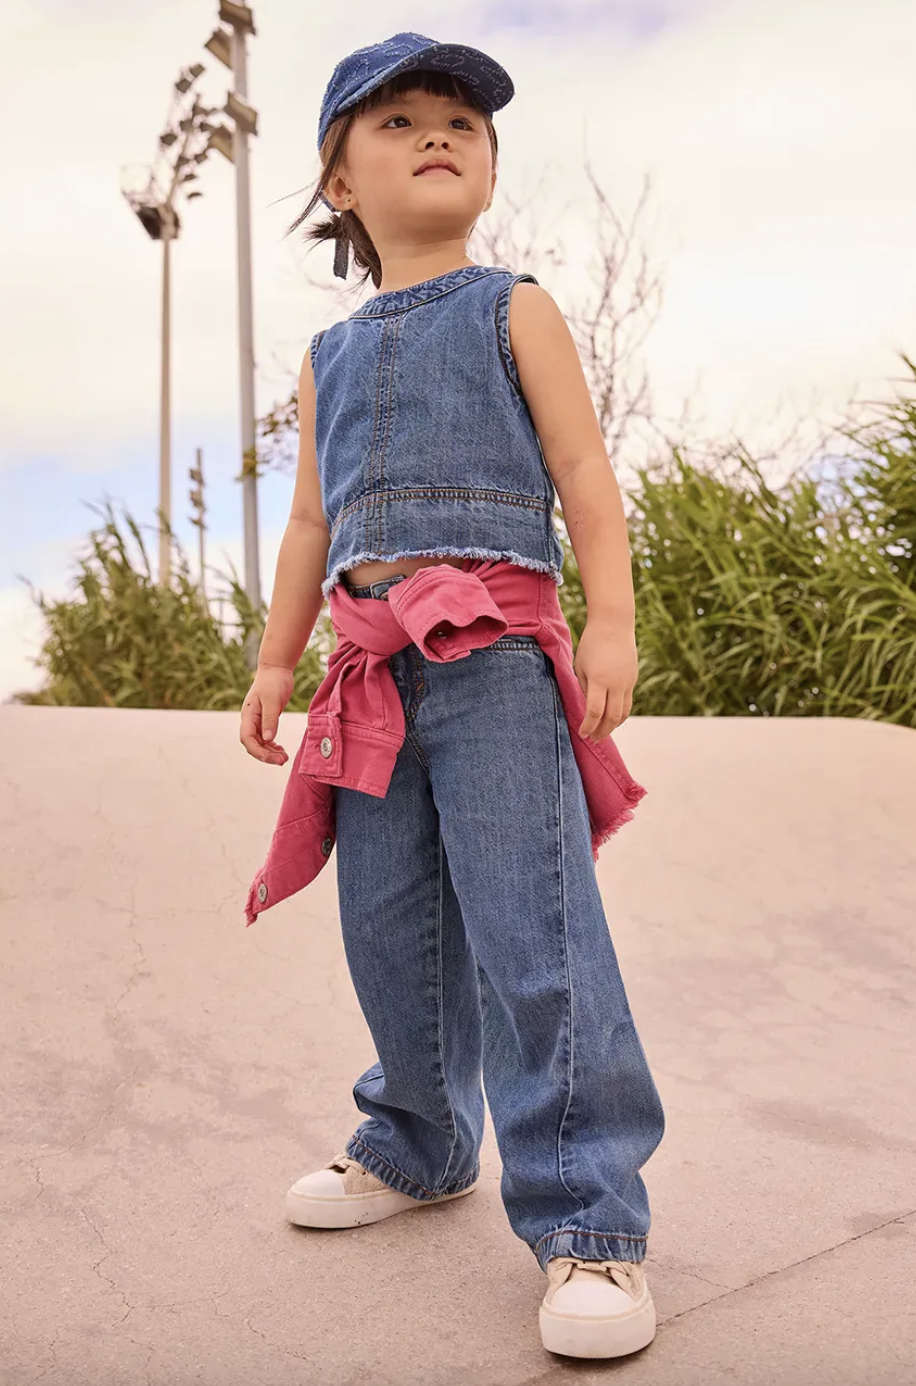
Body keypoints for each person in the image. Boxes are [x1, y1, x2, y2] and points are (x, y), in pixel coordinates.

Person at [238, 31, 666, 1362]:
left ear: (485, 165)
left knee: (535, 935)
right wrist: (276, 660)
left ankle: (589, 1216)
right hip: (368, 676)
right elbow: (311, 527)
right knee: (392, 928)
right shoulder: (327, 356)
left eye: (462, 123)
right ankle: (419, 1142)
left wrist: (611, 619)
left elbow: (584, 474)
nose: (439, 133)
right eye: (400, 120)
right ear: (339, 182)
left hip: (495, 666)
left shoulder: (513, 307)